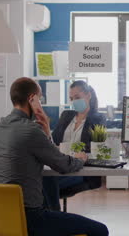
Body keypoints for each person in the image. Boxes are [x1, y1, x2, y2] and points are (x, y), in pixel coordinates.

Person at [0, 77, 108, 236]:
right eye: (39, 99)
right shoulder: (31, 130)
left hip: (2, 215)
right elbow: (64, 165)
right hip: (30, 217)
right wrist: (80, 159)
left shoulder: (0, 127)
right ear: (32, 99)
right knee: (100, 230)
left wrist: (46, 129)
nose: (40, 103)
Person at [43, 80, 105, 211]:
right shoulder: (66, 115)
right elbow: (54, 142)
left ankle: (53, 219)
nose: (74, 101)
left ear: (88, 95)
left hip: (80, 169)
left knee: (47, 183)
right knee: (41, 181)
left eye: (77, 97)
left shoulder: (97, 118)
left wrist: (64, 149)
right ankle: (50, 218)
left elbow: (92, 148)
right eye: (71, 98)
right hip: (59, 165)